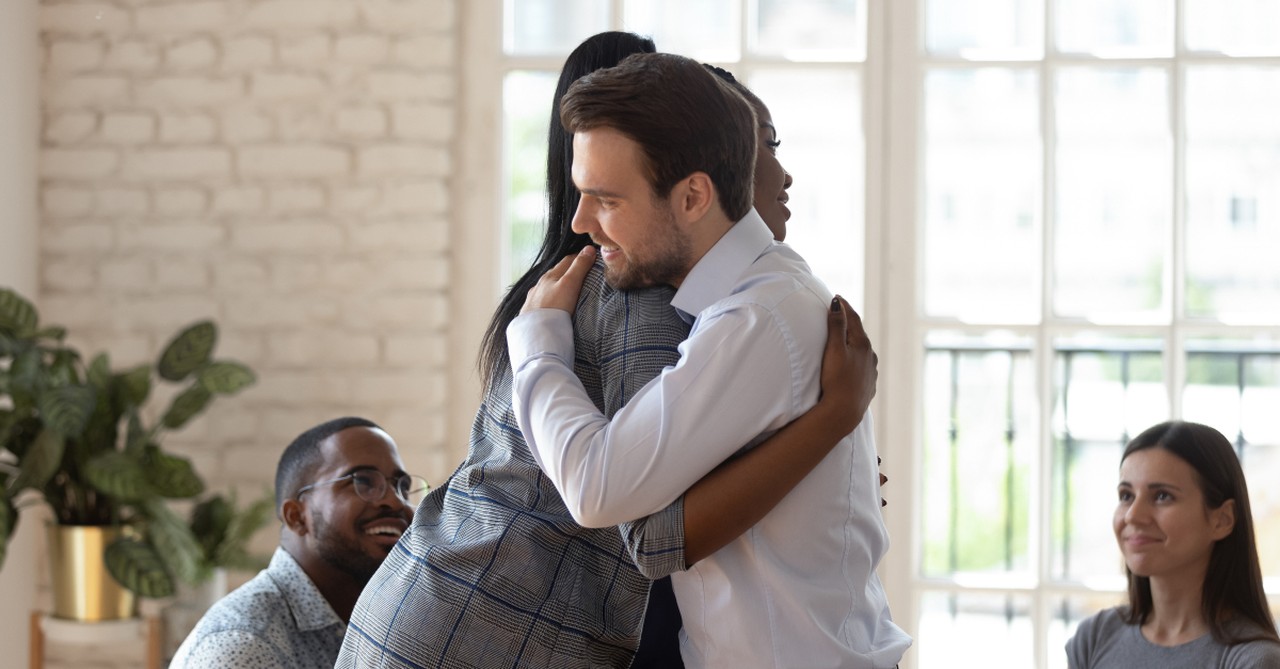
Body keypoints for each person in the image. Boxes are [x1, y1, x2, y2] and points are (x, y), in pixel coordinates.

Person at [337, 32, 877, 669]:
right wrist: (828, 429)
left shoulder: (688, 294)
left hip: (450, 608)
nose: (776, 171)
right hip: (480, 633)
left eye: (760, 140)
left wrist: (832, 476)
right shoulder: (636, 296)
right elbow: (652, 534)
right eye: (762, 142)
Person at [510, 52, 911, 667]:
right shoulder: (745, 302)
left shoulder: (755, 318)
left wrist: (537, 337)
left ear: (694, 196)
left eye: (606, 200)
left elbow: (596, 487)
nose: (581, 222)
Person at [169, 417, 421, 669]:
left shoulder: (380, 623)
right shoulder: (246, 649)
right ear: (296, 516)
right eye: (363, 481)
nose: (397, 502)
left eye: (403, 487)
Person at [1066, 421, 1280, 668]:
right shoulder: (1094, 639)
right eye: (1126, 496)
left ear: (1222, 519)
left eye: (1162, 496)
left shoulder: (1253, 660)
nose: (1133, 515)